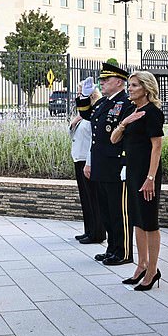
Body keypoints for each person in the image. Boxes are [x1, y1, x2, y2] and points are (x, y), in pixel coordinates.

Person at [111, 71, 164, 291]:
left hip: (146, 174)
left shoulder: (152, 113)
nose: (129, 89)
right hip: (132, 172)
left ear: (145, 88)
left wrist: (150, 178)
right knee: (137, 220)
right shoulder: (132, 111)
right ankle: (141, 265)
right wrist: (124, 122)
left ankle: (152, 270)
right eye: (129, 85)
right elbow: (113, 139)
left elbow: (157, 146)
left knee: (149, 221)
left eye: (133, 85)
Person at [76, 63, 134, 266]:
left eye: (105, 80)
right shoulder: (103, 104)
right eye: (101, 80)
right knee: (107, 212)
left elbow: (128, 137)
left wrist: (126, 163)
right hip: (101, 165)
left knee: (119, 212)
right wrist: (84, 96)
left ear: (119, 82)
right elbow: (87, 115)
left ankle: (124, 252)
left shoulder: (126, 103)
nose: (102, 83)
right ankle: (112, 248)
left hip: (116, 166)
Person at [70, 82, 106, 244]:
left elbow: (95, 140)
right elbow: (74, 135)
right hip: (79, 158)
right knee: (85, 198)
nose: (78, 95)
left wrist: (90, 163)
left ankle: (97, 232)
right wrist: (75, 121)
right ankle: (88, 230)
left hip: (88, 160)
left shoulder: (94, 113)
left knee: (93, 198)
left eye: (80, 92)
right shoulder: (82, 114)